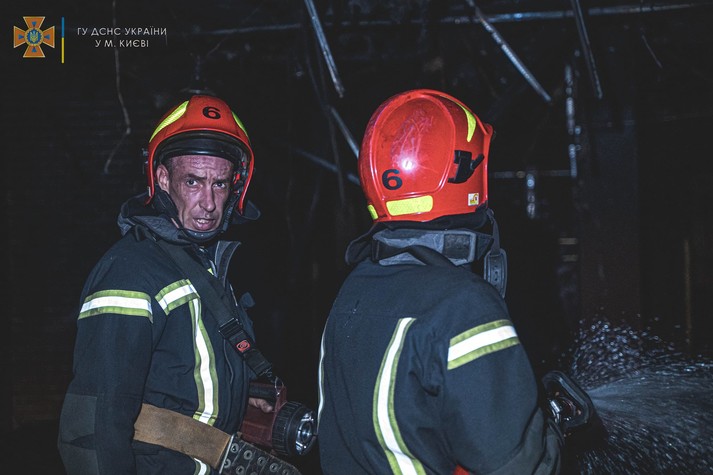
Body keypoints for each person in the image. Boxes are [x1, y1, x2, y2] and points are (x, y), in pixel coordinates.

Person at [317, 89, 563, 474]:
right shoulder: (463, 306)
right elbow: (518, 465)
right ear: (467, 174)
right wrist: (554, 433)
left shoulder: (352, 292)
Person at [57, 94, 285, 474]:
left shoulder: (210, 267)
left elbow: (180, 381)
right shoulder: (130, 274)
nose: (209, 203)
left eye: (220, 184)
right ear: (163, 179)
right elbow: (92, 430)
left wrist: (241, 398)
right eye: (193, 181)